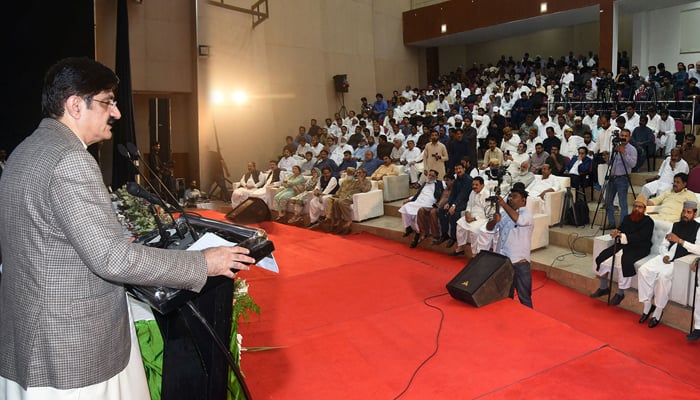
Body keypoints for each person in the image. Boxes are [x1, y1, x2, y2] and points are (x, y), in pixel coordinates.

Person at [0, 57, 255, 397]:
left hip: (28, 337)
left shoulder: (26, 150)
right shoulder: (70, 159)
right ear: (76, 105)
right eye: (107, 102)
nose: (117, 113)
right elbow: (112, 260)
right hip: (72, 349)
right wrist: (204, 262)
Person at [638, 201, 700, 328]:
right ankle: (647, 305)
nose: (685, 214)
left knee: (662, 277)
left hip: (680, 260)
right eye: (684, 211)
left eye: (689, 212)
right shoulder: (675, 225)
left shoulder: (698, 229)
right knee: (643, 270)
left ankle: (658, 311)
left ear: (694, 214)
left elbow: (698, 249)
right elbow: (664, 244)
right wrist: (665, 254)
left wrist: (681, 241)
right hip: (666, 257)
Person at [590, 197, 654, 305]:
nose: (637, 209)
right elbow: (621, 229)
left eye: (640, 207)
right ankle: (604, 287)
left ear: (644, 209)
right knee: (602, 258)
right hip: (623, 245)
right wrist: (616, 233)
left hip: (639, 247)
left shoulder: (648, 222)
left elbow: (640, 237)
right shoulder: (627, 218)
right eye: (635, 206)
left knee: (624, 262)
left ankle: (620, 293)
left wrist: (622, 235)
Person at [484, 186, 535, 308]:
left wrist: (502, 204)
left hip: (519, 263)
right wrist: (494, 221)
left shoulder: (527, 213)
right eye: (510, 196)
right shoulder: (505, 214)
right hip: (503, 261)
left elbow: (519, 221)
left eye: (515, 197)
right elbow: (489, 228)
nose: (511, 199)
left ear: (523, 200)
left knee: (525, 298)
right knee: (506, 295)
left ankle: (531, 323)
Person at [398, 169, 443, 245]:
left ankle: (418, 234)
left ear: (436, 177)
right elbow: (417, 194)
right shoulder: (424, 183)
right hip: (418, 201)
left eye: (433, 176)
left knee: (418, 213)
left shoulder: (440, 184)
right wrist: (409, 199)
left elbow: (449, 188)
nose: (430, 177)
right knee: (405, 207)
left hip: (428, 204)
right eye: (429, 175)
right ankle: (408, 227)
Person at [603, 129, 637, 229]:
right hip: (612, 178)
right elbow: (612, 163)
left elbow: (633, 164)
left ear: (629, 137)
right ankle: (611, 223)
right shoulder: (616, 147)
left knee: (623, 204)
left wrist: (624, 153)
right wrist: (607, 160)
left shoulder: (632, 149)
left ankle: (623, 225)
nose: (623, 137)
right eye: (622, 135)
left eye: (626, 136)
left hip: (623, 179)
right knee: (608, 202)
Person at [435, 163, 472, 247]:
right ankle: (444, 234)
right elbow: (453, 194)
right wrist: (449, 203)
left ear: (464, 169)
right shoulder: (456, 180)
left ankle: (453, 237)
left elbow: (464, 194)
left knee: (454, 213)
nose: (458, 171)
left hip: (466, 202)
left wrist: (454, 205)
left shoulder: (468, 180)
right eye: (456, 169)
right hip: (456, 201)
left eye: (460, 168)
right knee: (441, 210)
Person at [325, 168, 372, 234]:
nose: (358, 174)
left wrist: (361, 181)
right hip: (348, 196)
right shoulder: (355, 181)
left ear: (364, 174)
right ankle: (339, 219)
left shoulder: (367, 182)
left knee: (342, 202)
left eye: (360, 173)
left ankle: (348, 220)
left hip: (356, 197)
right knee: (336, 201)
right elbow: (348, 189)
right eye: (357, 172)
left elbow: (365, 190)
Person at [453, 176, 490, 257]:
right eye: (473, 185)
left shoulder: (487, 194)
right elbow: (469, 205)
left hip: (481, 218)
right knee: (460, 225)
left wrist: (474, 218)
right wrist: (467, 214)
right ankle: (461, 247)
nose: (474, 187)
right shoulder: (472, 192)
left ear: (482, 185)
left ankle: (475, 253)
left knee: (474, 230)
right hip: (471, 215)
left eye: (476, 185)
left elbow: (487, 212)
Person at [416, 174, 454, 247]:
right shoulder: (444, 188)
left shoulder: (454, 190)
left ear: (452, 181)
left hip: (443, 208)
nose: (446, 182)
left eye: (448, 180)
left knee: (433, 212)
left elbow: (449, 201)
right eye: (445, 180)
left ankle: (436, 235)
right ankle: (423, 233)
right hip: (435, 205)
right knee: (421, 210)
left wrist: (441, 205)